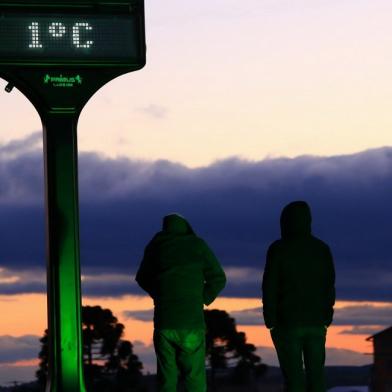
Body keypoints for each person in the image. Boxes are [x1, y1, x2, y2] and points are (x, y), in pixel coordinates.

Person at [136, 213, 226, 392]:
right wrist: (201, 299)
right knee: (194, 378)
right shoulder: (197, 245)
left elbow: (142, 277)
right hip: (191, 323)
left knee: (166, 380)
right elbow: (218, 278)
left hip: (164, 323)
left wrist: (160, 295)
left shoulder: (156, 245)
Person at [262, 201, 335, 392]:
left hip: (287, 323)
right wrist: (327, 316)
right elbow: (329, 286)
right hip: (317, 322)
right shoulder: (322, 249)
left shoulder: (278, 249)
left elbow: (269, 286)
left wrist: (270, 319)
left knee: (293, 378)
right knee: (316, 376)